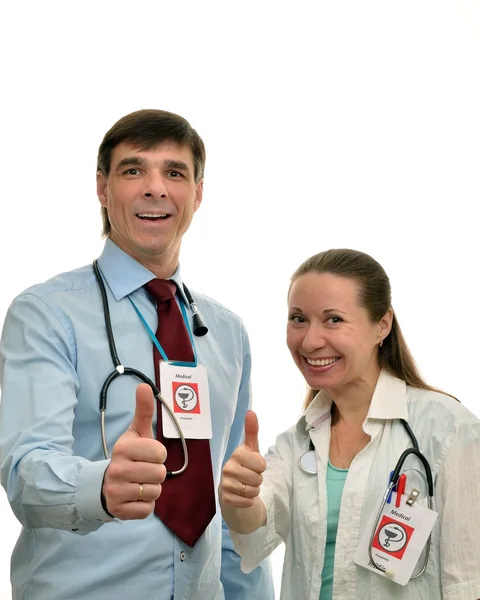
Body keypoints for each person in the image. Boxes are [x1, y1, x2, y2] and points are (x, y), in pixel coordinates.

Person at [0, 109, 274, 600]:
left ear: (198, 193)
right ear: (102, 188)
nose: (156, 188)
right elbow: (26, 470)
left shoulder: (227, 333)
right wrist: (102, 486)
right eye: (134, 170)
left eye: (175, 172)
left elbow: (231, 502)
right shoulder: (45, 313)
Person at [219, 248, 480, 600]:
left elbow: (468, 580)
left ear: (382, 325)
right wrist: (238, 497)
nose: (310, 341)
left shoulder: (448, 430)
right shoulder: (297, 443)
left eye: (333, 320)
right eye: (298, 319)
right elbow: (255, 528)